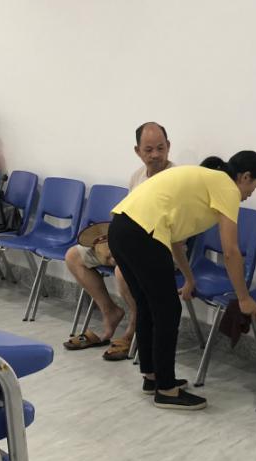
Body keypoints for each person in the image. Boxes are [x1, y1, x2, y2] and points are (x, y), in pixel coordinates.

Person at [108, 153, 256, 411]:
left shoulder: (205, 182)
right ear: (245, 177)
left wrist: (189, 279)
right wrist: (244, 298)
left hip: (121, 228)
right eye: (254, 186)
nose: (250, 194)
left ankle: (153, 376)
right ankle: (167, 390)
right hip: (142, 233)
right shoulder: (227, 187)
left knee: (147, 304)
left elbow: (175, 242)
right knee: (168, 310)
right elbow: (231, 251)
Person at [63, 122, 175, 358]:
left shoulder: (176, 180)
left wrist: (125, 252)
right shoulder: (137, 176)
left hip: (161, 250)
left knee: (123, 271)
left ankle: (135, 328)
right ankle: (110, 313)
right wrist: (111, 245)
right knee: (74, 256)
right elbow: (126, 217)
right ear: (138, 151)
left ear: (168, 146)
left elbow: (170, 231)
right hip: (130, 243)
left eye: (160, 148)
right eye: (148, 150)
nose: (156, 155)